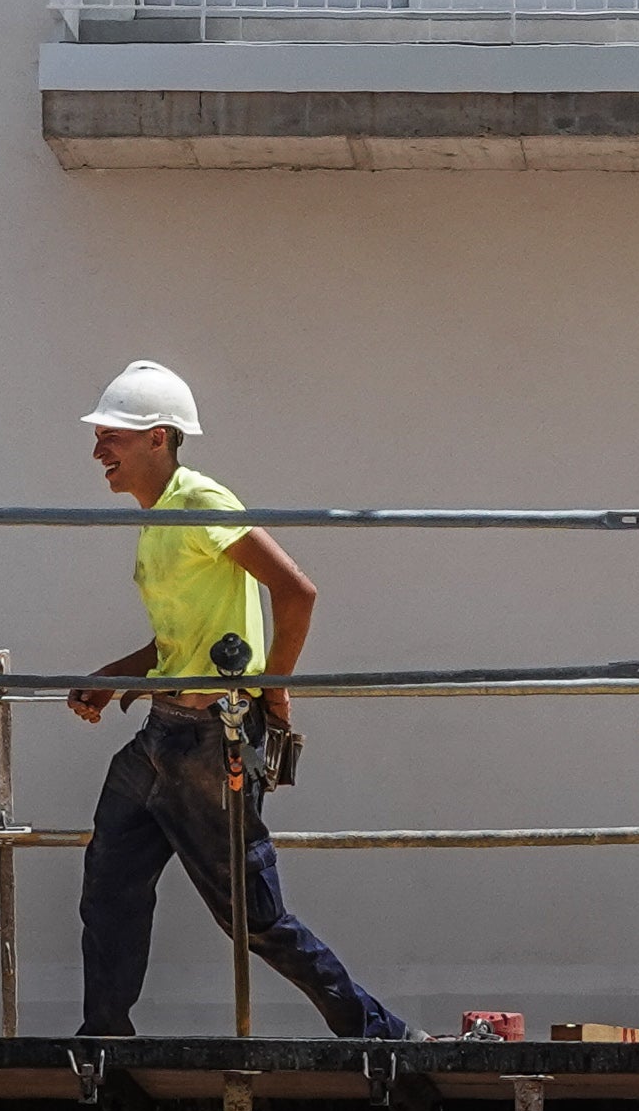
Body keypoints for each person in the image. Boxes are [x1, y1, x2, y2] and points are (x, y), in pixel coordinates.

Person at [65, 358, 412, 1040]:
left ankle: (378, 1032)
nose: (98, 448)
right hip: (163, 733)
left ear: (159, 437)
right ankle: (104, 1038)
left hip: (207, 737)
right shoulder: (160, 517)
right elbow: (185, 637)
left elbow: (296, 592)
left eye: (114, 434)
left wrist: (272, 692)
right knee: (109, 884)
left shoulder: (200, 501)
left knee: (254, 916)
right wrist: (122, 673)